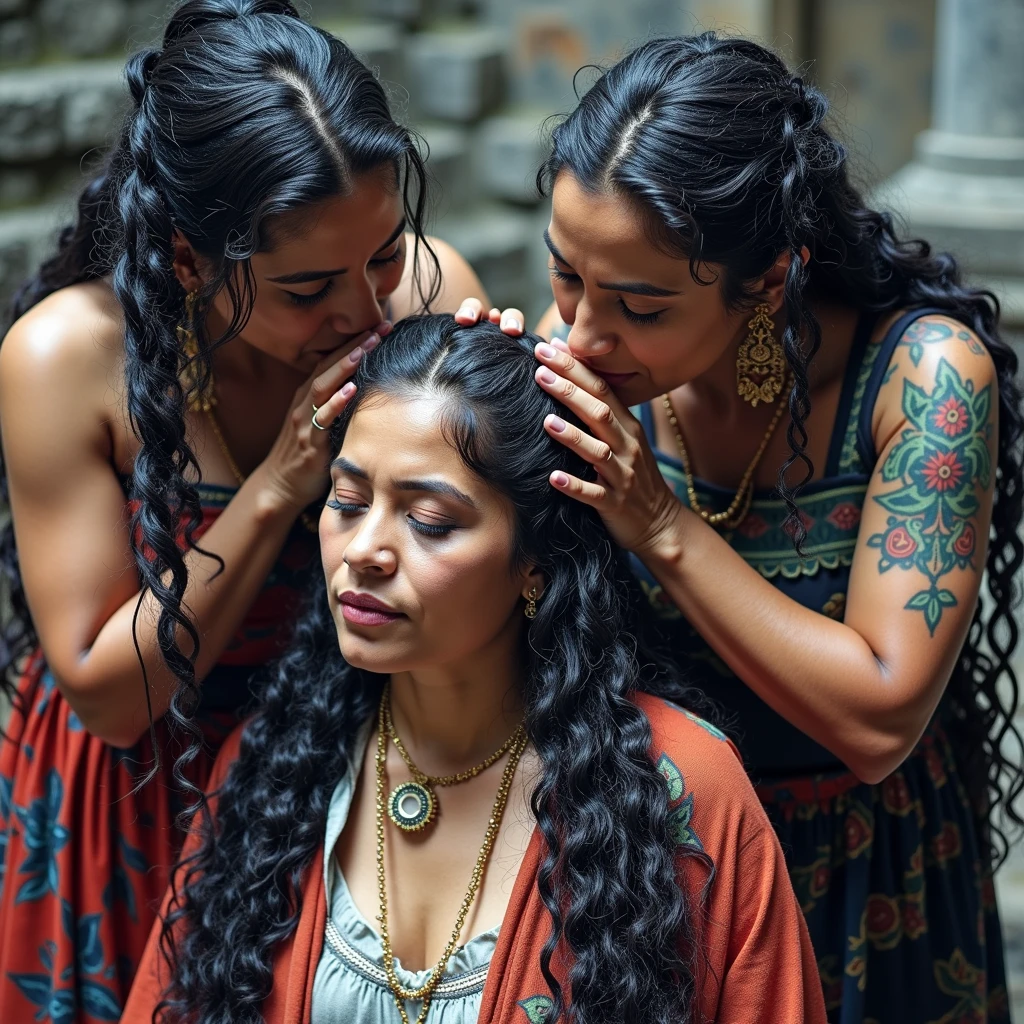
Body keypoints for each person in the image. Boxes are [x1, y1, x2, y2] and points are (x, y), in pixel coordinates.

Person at [460, 33, 1024, 1024]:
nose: (585, 335)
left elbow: (879, 717)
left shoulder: (923, 381)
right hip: (653, 868)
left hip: (864, 879)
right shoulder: (587, 373)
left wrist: (659, 523)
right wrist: (472, 429)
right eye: (565, 278)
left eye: (637, 304)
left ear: (767, 282)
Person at [123, 313, 827, 1024]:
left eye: (428, 520)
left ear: (536, 563)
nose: (364, 549)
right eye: (347, 500)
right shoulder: (271, 768)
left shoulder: (683, 791)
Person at [0, 1, 486, 1018]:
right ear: (187, 260)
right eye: (309, 287)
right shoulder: (70, 359)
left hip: (340, 776)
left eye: (385, 255)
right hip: (142, 795)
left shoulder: (428, 295)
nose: (364, 311)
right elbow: (107, 693)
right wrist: (276, 488)